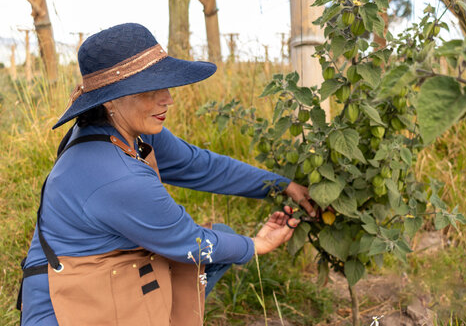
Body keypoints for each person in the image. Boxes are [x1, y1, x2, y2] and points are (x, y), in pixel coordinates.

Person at [18, 23, 315, 326]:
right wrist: (256, 245)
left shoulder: (127, 130)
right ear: (110, 100)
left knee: (221, 241)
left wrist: (282, 185)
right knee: (213, 248)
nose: (168, 99)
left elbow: (199, 166)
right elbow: (190, 241)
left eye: (166, 85)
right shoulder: (117, 177)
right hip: (68, 305)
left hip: (109, 270)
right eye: (150, 90)